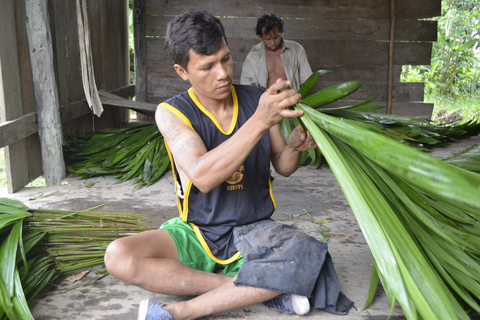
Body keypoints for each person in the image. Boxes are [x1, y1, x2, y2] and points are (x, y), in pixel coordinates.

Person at [104, 10, 353, 320]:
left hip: (256, 233)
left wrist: (294, 146)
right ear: (182, 71)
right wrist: (260, 121)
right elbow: (202, 176)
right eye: (207, 66)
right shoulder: (172, 112)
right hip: (198, 232)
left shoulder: (255, 99)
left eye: (225, 59)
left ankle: (181, 312)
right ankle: (253, 289)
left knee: (307, 252)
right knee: (119, 256)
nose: (222, 73)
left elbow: (284, 166)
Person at [240, 13, 313, 91]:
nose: (272, 43)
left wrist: (298, 99)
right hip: (266, 102)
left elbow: (307, 80)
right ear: (261, 36)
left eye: (276, 38)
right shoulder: (253, 56)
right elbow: (246, 84)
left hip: (293, 100)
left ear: (282, 32)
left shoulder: (296, 50)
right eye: (268, 39)